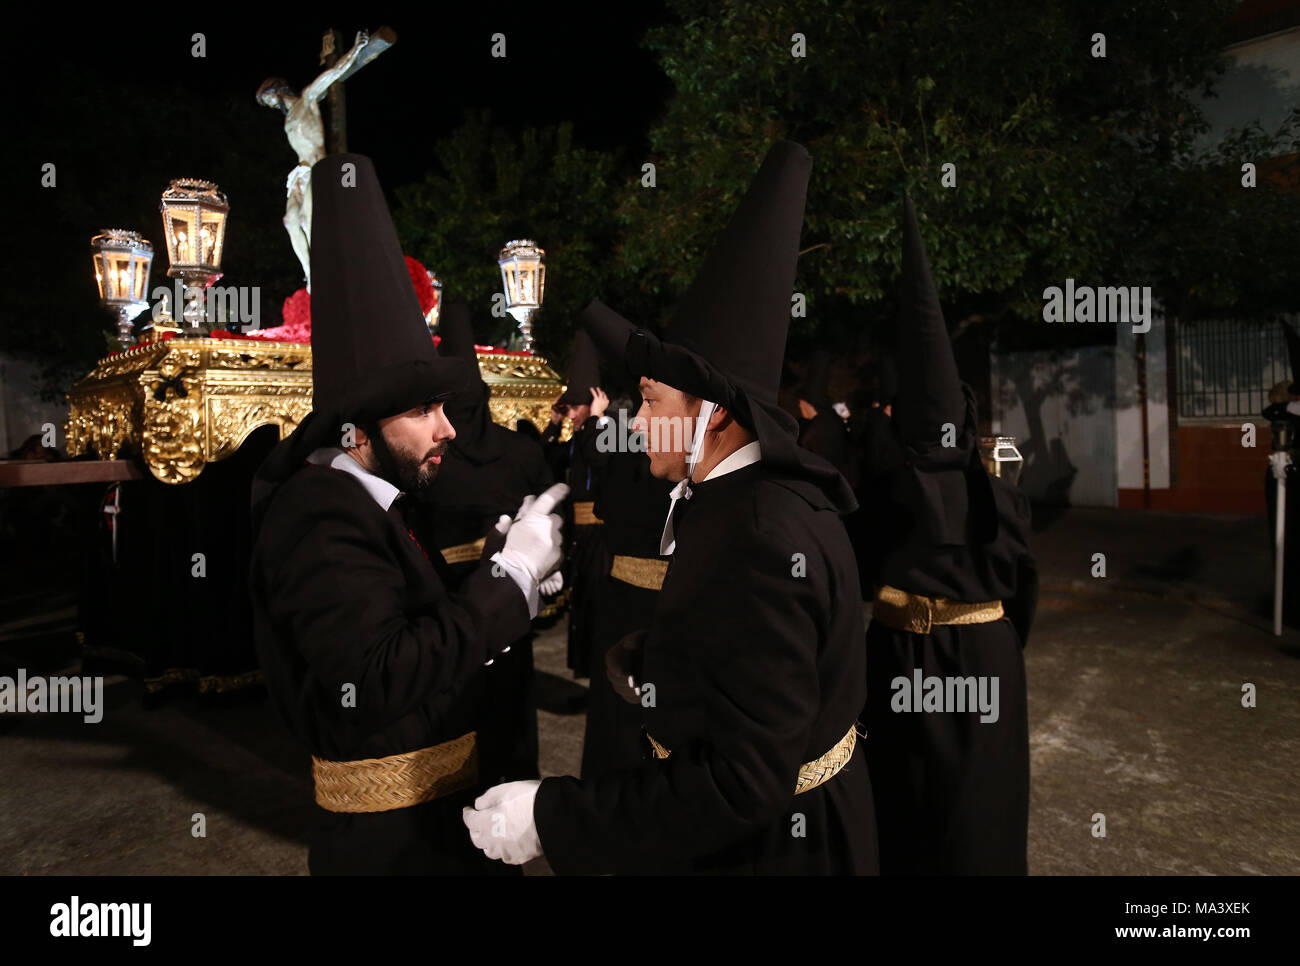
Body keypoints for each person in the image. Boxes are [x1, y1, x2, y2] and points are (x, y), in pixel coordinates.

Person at [463, 141, 878, 874]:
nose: (636, 422)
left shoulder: (759, 534)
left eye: (651, 403)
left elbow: (741, 780)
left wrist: (550, 818)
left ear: (712, 414)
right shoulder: (746, 500)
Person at [248, 154, 566, 875]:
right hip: (389, 849)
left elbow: (413, 625)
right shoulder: (316, 515)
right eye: (423, 411)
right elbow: (381, 674)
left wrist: (506, 579)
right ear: (356, 431)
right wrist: (510, 574)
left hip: (431, 824)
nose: (448, 429)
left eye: (445, 408)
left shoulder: (373, 499)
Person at [858, 197, 1037, 875]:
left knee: (929, 814)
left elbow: (859, 570)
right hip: (984, 657)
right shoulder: (1004, 495)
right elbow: (1026, 595)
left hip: (902, 656)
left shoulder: (881, 492)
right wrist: (987, 638)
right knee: (963, 812)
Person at [417, 300, 557, 787]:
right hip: (504, 605)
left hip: (449, 613)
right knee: (508, 708)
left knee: (462, 716)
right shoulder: (522, 451)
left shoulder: (425, 461)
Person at [542, 329, 609, 679]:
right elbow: (548, 460)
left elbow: (600, 461)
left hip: (600, 537)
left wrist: (598, 418)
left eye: (574, 407)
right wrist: (554, 426)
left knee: (596, 607)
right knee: (580, 607)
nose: (570, 413)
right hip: (578, 537)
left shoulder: (604, 432)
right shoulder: (577, 436)